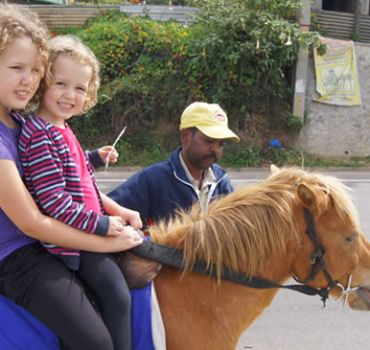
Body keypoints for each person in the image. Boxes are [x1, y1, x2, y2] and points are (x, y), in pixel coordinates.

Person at [0, 5, 143, 350]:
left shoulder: (19, 122)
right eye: (16, 68)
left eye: (35, 70)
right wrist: (107, 238)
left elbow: (71, 178)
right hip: (17, 256)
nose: (28, 80)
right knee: (94, 341)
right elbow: (34, 221)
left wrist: (114, 210)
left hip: (45, 242)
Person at [108, 101, 240, 227]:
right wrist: (145, 241)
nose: (215, 149)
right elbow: (103, 213)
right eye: (209, 141)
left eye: (221, 144)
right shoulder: (152, 180)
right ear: (185, 136)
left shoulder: (222, 182)